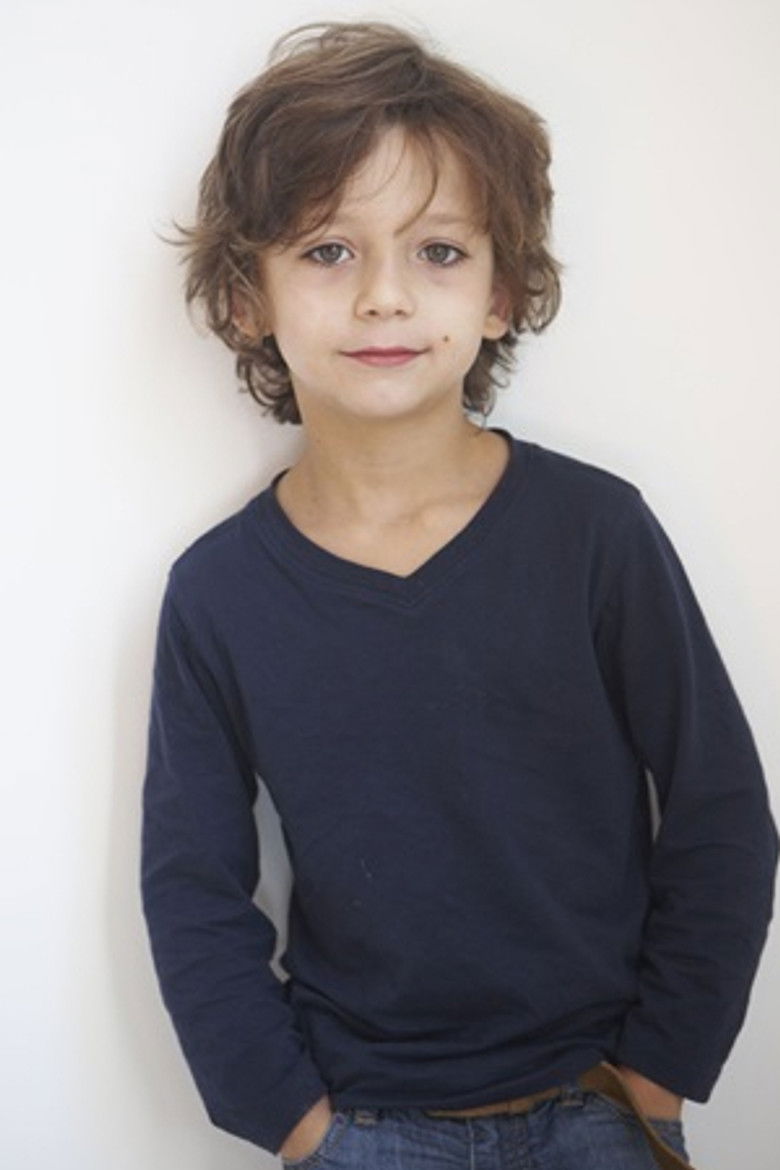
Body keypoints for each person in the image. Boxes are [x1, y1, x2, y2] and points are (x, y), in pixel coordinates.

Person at [140, 19, 779, 1170]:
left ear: (500, 293)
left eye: (438, 250)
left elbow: (720, 810)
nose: (385, 296)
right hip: (362, 1127)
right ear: (246, 299)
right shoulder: (218, 594)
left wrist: (654, 1080)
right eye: (328, 250)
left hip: (604, 1105)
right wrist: (299, 1128)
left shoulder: (596, 533)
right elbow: (194, 890)